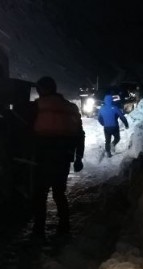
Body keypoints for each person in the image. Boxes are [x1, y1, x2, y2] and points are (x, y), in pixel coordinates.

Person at [30, 76, 85, 241]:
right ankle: (64, 227)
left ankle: (39, 230)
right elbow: (79, 135)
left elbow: (25, 130)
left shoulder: (36, 107)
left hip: (42, 157)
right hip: (63, 158)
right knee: (59, 193)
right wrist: (78, 157)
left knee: (40, 195)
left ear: (42, 90)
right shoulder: (71, 108)